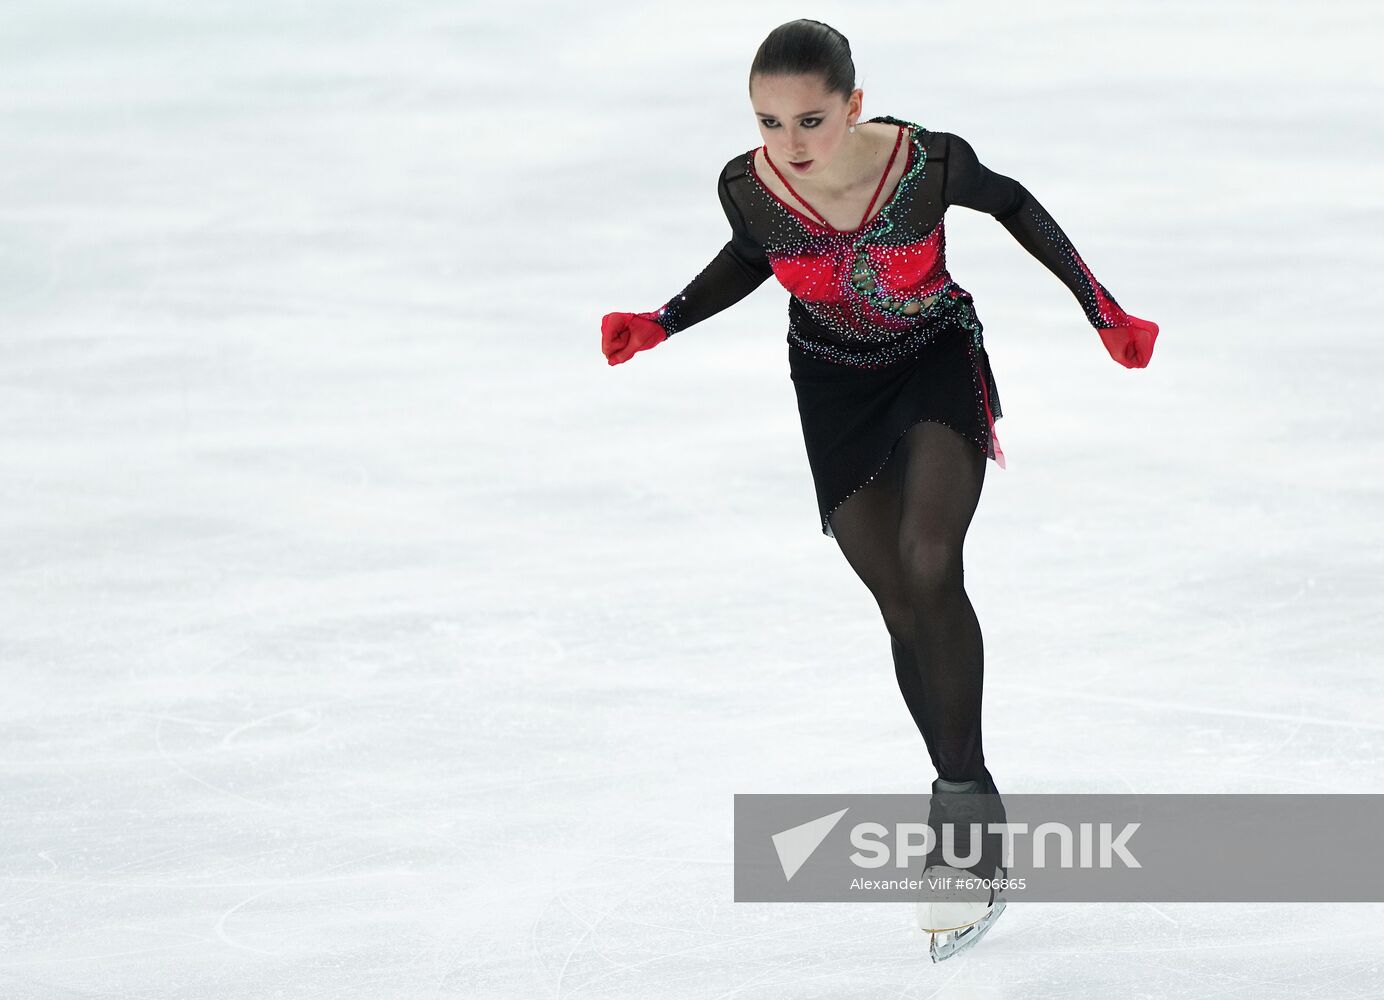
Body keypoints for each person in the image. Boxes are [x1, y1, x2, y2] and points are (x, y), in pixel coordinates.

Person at [599, 19, 1158, 959]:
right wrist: (663, 322)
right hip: (831, 384)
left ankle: (965, 827)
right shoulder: (750, 187)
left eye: (810, 118)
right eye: (769, 121)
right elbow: (752, 255)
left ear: (853, 105)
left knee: (930, 560)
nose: (790, 142)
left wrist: (1103, 310)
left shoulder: (925, 165)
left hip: (934, 357)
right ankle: (965, 775)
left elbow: (1015, 204)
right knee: (901, 601)